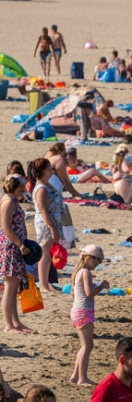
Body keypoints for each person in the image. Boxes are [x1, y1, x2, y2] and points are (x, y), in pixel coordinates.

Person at [69, 245, 108, 386]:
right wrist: (102, 285)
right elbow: (89, 293)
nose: (96, 264)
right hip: (83, 312)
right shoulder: (85, 272)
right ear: (87, 257)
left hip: (77, 311)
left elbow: (74, 293)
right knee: (87, 346)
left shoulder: (78, 272)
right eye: (95, 261)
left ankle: (75, 376)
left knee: (84, 346)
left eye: (99, 262)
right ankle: (82, 378)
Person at [0, 175, 33, 334]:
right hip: (11, 247)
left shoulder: (11, 200)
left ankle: (16, 322)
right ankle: (9, 325)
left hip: (15, 247)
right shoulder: (7, 202)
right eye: (23, 186)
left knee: (14, 286)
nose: (25, 188)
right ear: (15, 186)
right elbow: (6, 228)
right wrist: (20, 245)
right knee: (10, 286)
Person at [29, 158, 64, 293]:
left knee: (48, 253)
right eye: (49, 168)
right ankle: (44, 285)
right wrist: (53, 228)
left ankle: (46, 283)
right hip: (46, 223)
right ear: (42, 171)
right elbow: (43, 210)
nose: (52, 170)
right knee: (45, 253)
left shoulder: (46, 185)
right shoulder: (41, 188)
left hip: (52, 220)